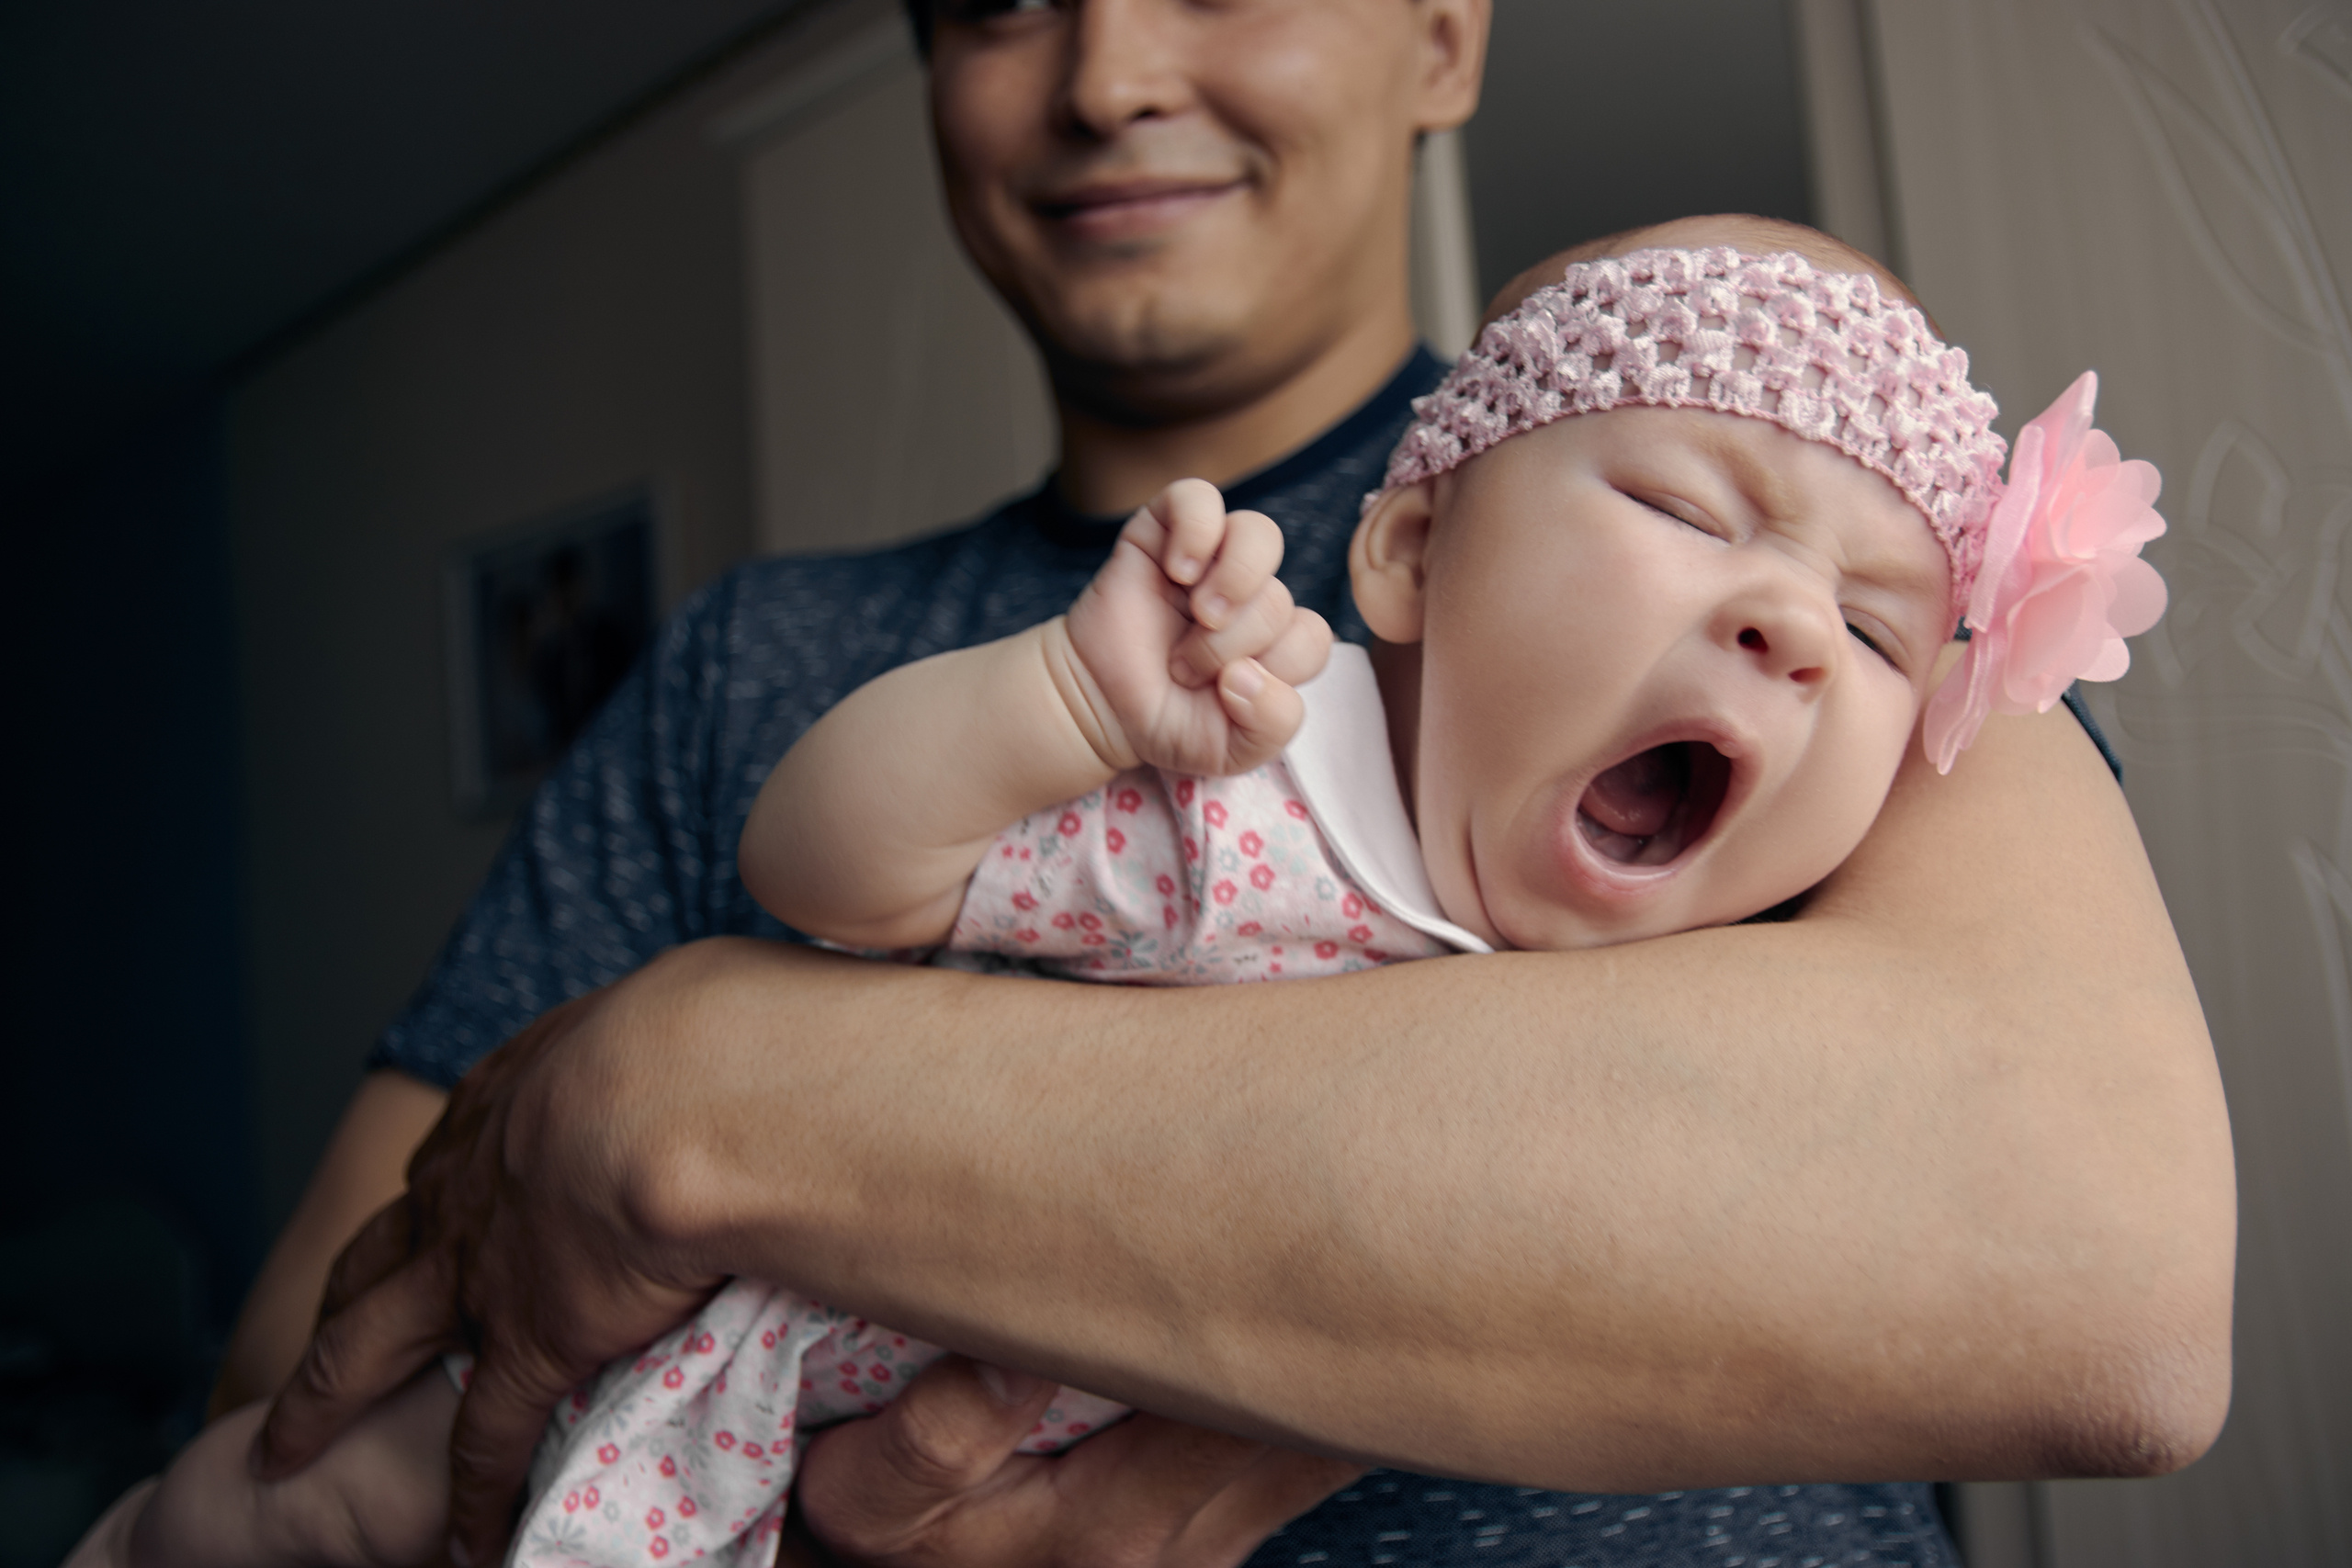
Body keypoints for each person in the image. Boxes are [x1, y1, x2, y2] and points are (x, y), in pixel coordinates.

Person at [187, 2, 2233, 1565]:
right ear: (1404, 551)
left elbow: (2091, 1266)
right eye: (1001, 0)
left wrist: (687, 1082)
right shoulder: (841, 669)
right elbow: (318, 1380)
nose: (1106, 69)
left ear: (1441, 32)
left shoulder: (1839, 532)